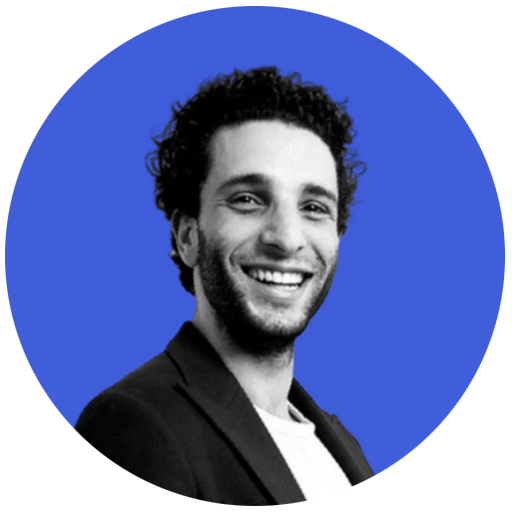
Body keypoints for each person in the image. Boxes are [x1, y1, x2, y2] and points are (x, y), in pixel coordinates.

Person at [75, 66, 399, 506]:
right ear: (187, 237)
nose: (287, 238)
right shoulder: (133, 423)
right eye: (247, 199)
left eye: (313, 207)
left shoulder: (341, 444)